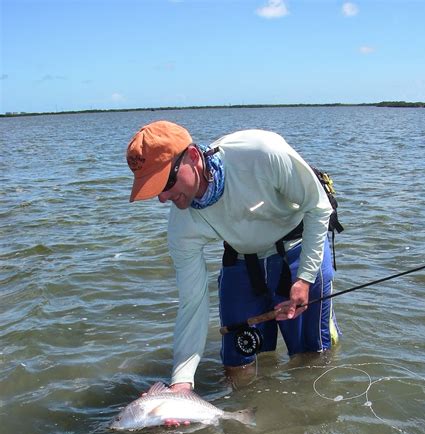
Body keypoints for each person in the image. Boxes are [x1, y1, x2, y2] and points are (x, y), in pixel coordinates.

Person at [126, 120, 340, 398]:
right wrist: (181, 382)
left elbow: (318, 206)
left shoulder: (262, 152)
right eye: (154, 190)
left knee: (312, 358)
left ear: (192, 157)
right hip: (242, 259)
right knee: (236, 366)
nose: (163, 198)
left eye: (166, 182)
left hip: (299, 248)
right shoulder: (182, 225)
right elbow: (193, 302)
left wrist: (305, 278)